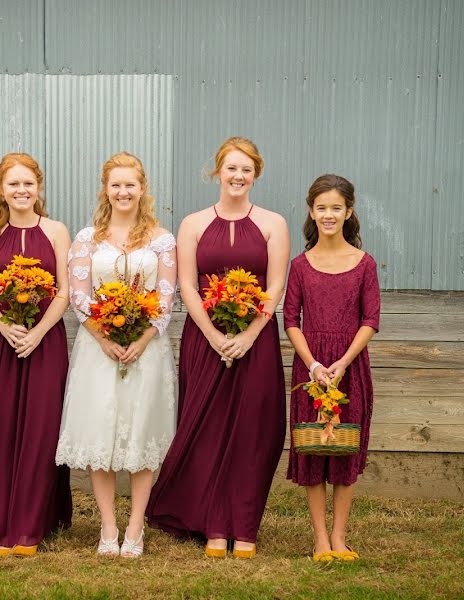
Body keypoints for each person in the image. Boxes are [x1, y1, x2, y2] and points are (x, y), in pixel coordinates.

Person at [146, 137, 289, 559]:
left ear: (255, 174)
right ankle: (211, 523)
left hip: (256, 339)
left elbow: (275, 284)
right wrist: (212, 334)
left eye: (246, 170)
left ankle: (243, 526)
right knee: (205, 428)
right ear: (218, 172)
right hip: (204, 340)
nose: (238, 177)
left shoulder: (273, 223)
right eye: (231, 169)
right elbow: (187, 285)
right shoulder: (191, 224)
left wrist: (247, 335)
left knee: (252, 430)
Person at [55, 152, 177, 558]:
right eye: (116, 185)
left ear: (142, 189)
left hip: (147, 349)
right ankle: (108, 526)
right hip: (98, 349)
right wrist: (104, 337)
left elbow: (164, 296)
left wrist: (141, 340)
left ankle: (136, 526)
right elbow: (79, 295)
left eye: (131, 185)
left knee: (142, 431)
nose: (124, 192)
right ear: (105, 189)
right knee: (100, 431)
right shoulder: (87, 238)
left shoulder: (162, 239)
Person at [0, 153, 72, 556]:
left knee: (41, 430)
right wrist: (4, 325)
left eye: (28, 183)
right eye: (13, 184)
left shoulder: (57, 231)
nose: (21, 190)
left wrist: (38, 332)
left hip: (46, 341)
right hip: (1, 341)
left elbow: (63, 291)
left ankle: (30, 526)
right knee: (1, 426)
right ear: (1, 189)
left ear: (39, 186)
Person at [283, 174, 380, 562]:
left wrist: (342, 362)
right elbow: (291, 319)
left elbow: (370, 319)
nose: (328, 214)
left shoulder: (364, 264)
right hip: (313, 370)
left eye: (336, 208)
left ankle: (340, 537)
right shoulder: (301, 265)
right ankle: (320, 539)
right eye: (321, 208)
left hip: (349, 367)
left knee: (344, 449)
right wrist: (313, 363)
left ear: (349, 212)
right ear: (311, 211)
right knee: (313, 448)